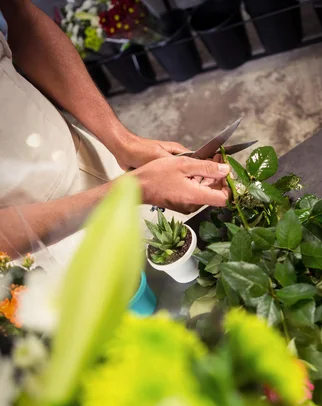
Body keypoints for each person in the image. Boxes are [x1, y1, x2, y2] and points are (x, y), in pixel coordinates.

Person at [0, 0, 230, 264]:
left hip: (81, 155)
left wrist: (121, 141)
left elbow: (23, 20)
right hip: (25, 251)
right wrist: (137, 187)